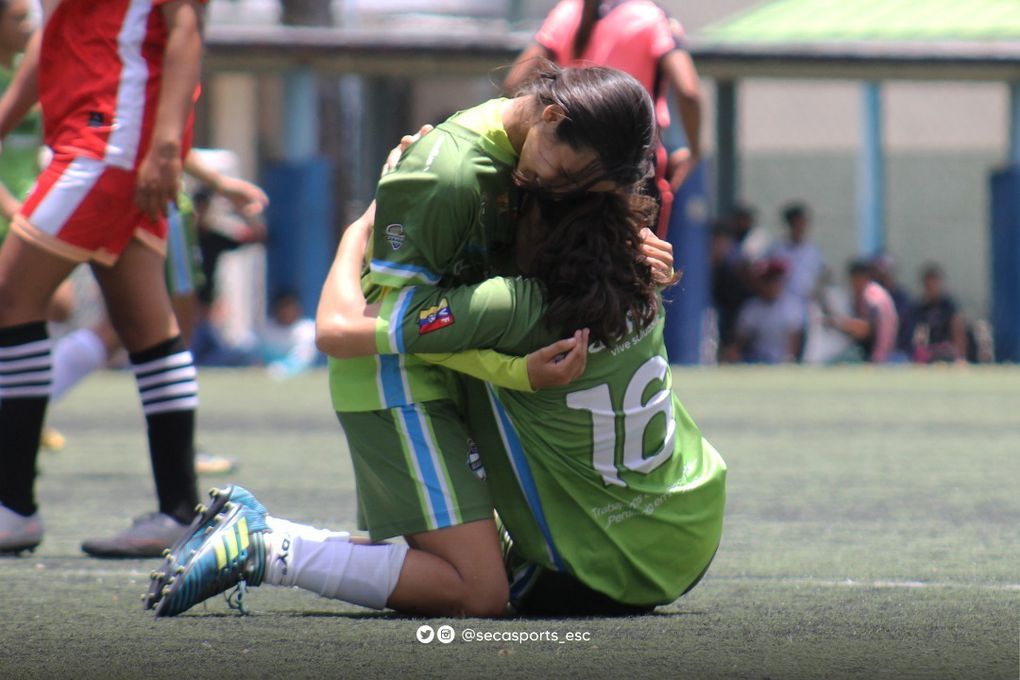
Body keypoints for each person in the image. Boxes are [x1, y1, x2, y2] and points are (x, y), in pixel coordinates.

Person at [144, 66, 660, 616]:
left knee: (486, 565)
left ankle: (262, 536)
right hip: (398, 374)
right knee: (478, 592)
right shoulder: (450, 173)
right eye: (565, 173)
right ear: (552, 116)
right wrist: (355, 232)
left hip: (447, 364)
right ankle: (262, 548)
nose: (560, 191)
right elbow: (373, 327)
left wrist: (629, 241)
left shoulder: (526, 153)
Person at [0, 0, 208, 556]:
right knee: (147, 326)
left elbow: (185, 20)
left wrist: (166, 144)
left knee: (9, 297)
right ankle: (178, 511)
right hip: (101, 134)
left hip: (111, 138)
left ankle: (12, 505)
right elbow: (60, 33)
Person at [47, 149, 268, 480]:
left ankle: (23, 411)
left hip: (124, 198)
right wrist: (220, 183)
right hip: (158, 205)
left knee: (125, 329)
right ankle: (182, 457)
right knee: (173, 334)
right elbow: (167, 136)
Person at [504, 0, 701, 237]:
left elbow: (514, 82)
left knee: (561, 254)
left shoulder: (567, 11)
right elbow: (689, 92)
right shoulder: (650, 16)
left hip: (563, 163)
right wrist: (695, 149)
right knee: (637, 264)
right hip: (627, 169)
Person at [726, 258, 803, 364]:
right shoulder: (751, 308)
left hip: (782, 362)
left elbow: (793, 343)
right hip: (755, 361)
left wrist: (788, 362)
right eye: (768, 281)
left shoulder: (792, 307)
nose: (772, 286)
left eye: (776, 281)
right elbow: (738, 343)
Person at [829, 259, 899, 363]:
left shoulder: (872, 298)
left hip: (883, 356)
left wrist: (837, 324)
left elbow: (867, 329)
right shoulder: (869, 293)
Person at [911, 263, 967, 364]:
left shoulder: (949, 306)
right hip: (928, 351)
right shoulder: (920, 308)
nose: (932, 287)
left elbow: (958, 331)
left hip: (947, 350)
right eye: (928, 284)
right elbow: (918, 335)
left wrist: (959, 356)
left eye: (934, 283)